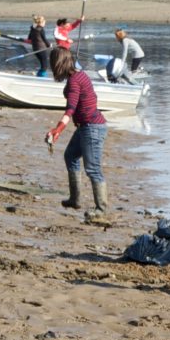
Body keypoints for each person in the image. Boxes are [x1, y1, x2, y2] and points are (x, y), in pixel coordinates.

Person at [44, 48, 111, 220]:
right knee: (70, 156)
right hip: (85, 127)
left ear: (57, 64)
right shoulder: (78, 75)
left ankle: (101, 210)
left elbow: (70, 110)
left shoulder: (74, 81)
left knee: (93, 169)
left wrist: (57, 130)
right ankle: (75, 199)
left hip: (93, 128)